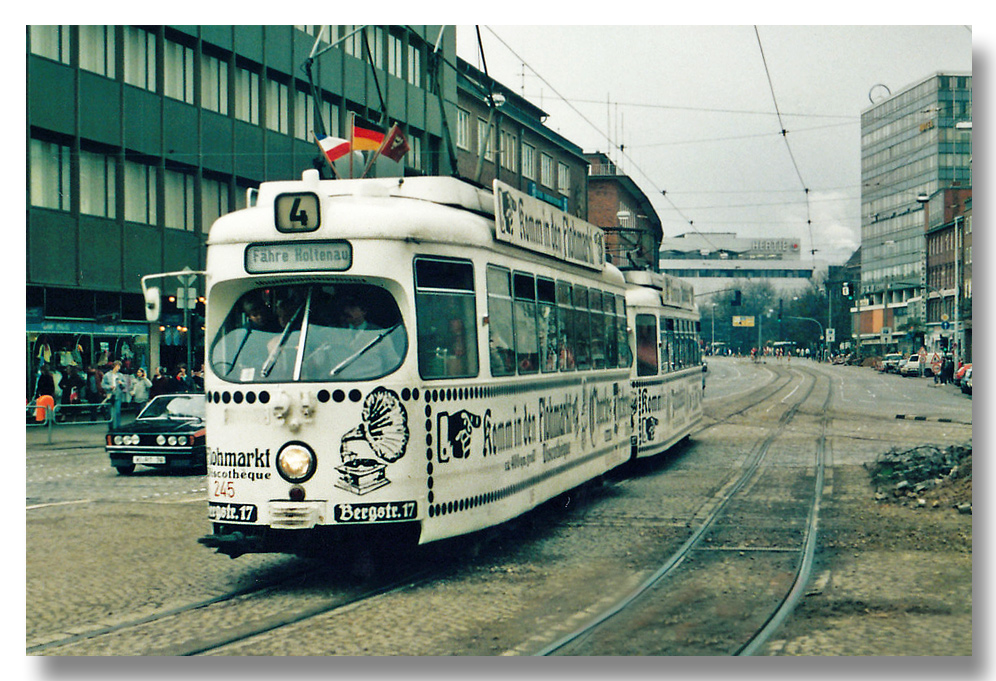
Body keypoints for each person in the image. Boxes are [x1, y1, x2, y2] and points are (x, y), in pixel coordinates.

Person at [101, 361, 127, 429]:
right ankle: (111, 427)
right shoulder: (107, 375)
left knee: (117, 412)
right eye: (117, 366)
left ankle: (118, 426)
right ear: (114, 366)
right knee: (110, 412)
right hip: (110, 395)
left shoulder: (120, 375)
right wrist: (109, 387)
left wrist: (121, 383)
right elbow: (103, 385)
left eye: (119, 367)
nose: (118, 368)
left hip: (118, 395)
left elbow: (125, 385)